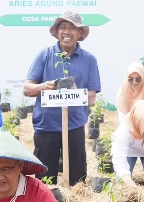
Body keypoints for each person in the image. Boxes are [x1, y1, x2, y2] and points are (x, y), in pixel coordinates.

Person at [23, 10, 101, 186]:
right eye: (63, 27)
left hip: (74, 125)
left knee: (76, 179)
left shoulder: (89, 60)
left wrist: (73, 95)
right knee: (45, 180)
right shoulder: (44, 55)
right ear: (57, 32)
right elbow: (27, 89)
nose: (66, 31)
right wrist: (44, 86)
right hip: (46, 125)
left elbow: (91, 97)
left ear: (80, 33)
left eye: (72, 27)